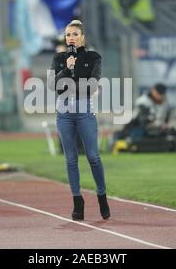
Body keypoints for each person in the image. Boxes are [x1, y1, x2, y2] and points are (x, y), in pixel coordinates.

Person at [48, 19, 110, 221]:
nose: (71, 38)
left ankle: (102, 196)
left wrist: (68, 85)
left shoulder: (93, 57)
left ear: (82, 37)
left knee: (93, 156)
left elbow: (92, 85)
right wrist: (66, 70)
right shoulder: (59, 59)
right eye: (68, 35)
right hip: (64, 113)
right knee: (70, 159)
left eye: (75, 34)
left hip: (84, 111)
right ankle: (77, 201)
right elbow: (52, 86)